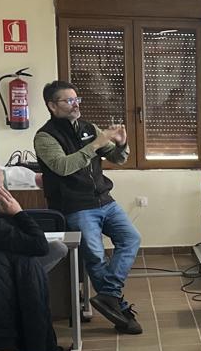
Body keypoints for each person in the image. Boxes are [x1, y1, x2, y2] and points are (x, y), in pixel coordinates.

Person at [34, 80, 142, 334]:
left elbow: (118, 158)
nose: (75, 105)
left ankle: (109, 296)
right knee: (95, 256)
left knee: (131, 238)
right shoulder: (45, 137)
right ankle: (119, 309)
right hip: (75, 205)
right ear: (52, 106)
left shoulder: (88, 128)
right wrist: (94, 145)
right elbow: (63, 167)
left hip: (104, 199)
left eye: (77, 99)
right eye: (68, 100)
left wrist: (121, 143)